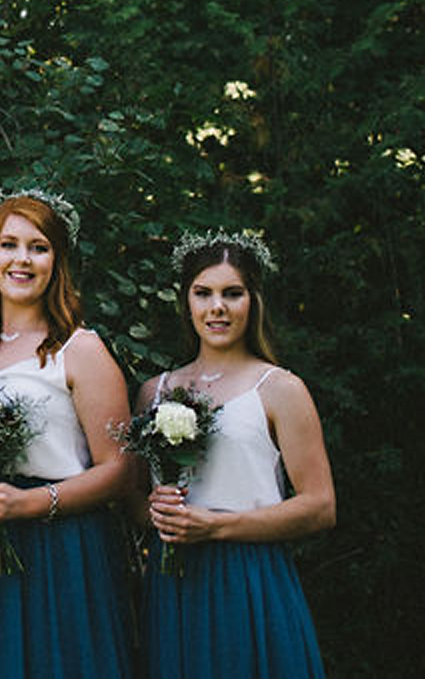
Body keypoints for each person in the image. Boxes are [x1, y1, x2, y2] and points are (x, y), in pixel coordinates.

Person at [0, 191, 133, 679]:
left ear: (56, 261)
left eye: (37, 247)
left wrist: (31, 504)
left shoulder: (81, 349)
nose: (21, 259)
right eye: (8, 245)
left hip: (61, 542)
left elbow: (120, 469)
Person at [137, 233, 333, 678]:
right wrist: (155, 512)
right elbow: (132, 500)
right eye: (203, 293)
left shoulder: (281, 389)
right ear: (186, 301)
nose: (217, 307)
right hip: (175, 581)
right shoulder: (156, 391)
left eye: (232, 293)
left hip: (251, 576)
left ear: (253, 301)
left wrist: (218, 526)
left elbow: (320, 506)